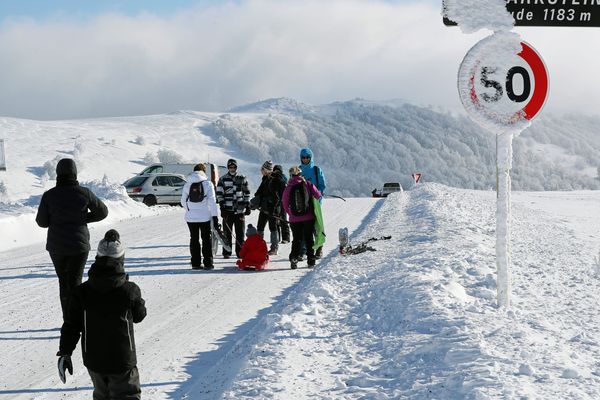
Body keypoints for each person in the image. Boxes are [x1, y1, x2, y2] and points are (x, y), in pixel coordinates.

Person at [57, 229, 146, 400]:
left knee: (101, 396)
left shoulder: (81, 292)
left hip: (94, 361)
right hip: (122, 361)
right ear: (121, 259)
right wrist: (135, 297)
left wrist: (65, 352)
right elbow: (139, 316)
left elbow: (71, 325)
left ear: (97, 258)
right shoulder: (129, 290)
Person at [35, 158, 108, 320]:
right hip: (79, 246)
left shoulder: (49, 196)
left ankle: (68, 320)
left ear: (58, 173)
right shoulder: (84, 193)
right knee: (76, 281)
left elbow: (41, 222)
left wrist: (57, 220)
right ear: (75, 172)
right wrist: (83, 219)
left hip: (56, 247)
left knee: (63, 282)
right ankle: (79, 318)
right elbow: (103, 212)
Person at [181, 163, 219, 270]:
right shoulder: (208, 184)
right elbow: (212, 202)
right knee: (206, 239)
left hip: (190, 218)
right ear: (204, 171)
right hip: (205, 217)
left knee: (194, 239)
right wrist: (214, 216)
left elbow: (183, 201)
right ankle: (208, 263)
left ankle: (195, 263)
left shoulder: (187, 184)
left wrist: (190, 210)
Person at [282, 166, 322, 269]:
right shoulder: (307, 184)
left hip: (294, 219)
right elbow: (318, 195)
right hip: (308, 217)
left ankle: (294, 259)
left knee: (297, 239)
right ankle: (311, 261)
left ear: (290, 175)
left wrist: (291, 213)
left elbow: (285, 204)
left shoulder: (288, 187)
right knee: (309, 239)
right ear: (300, 174)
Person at [216, 158, 251, 259]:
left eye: (234, 167)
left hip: (240, 210)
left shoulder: (242, 178)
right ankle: (227, 251)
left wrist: (247, 204)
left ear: (236, 167)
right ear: (228, 167)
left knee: (240, 233)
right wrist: (222, 207)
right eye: (230, 167)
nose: (232, 169)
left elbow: (247, 192)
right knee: (227, 233)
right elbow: (219, 194)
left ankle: (240, 252)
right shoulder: (222, 179)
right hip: (228, 210)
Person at [299, 147, 327, 259]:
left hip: (315, 203)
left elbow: (322, 185)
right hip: (302, 203)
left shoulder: (316, 170)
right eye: (303, 157)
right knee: (304, 227)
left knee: (317, 226)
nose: (305, 159)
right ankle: (305, 249)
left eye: (307, 157)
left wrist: (317, 194)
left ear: (311, 158)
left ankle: (319, 248)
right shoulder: (299, 170)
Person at [254, 161, 280, 256]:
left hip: (271, 209)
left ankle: (274, 248)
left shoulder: (273, 180)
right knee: (260, 227)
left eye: (263, 169)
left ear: (267, 170)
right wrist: (256, 198)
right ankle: (259, 246)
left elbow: (276, 196)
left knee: (273, 228)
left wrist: (273, 209)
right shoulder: (265, 179)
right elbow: (260, 191)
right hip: (264, 208)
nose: (261, 171)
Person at [272, 165, 290, 244]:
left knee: (283, 219)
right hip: (275, 201)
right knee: (275, 219)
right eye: (275, 171)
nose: (276, 172)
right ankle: (278, 237)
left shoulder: (283, 178)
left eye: (278, 171)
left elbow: (285, 187)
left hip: (282, 201)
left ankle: (286, 237)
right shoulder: (272, 178)